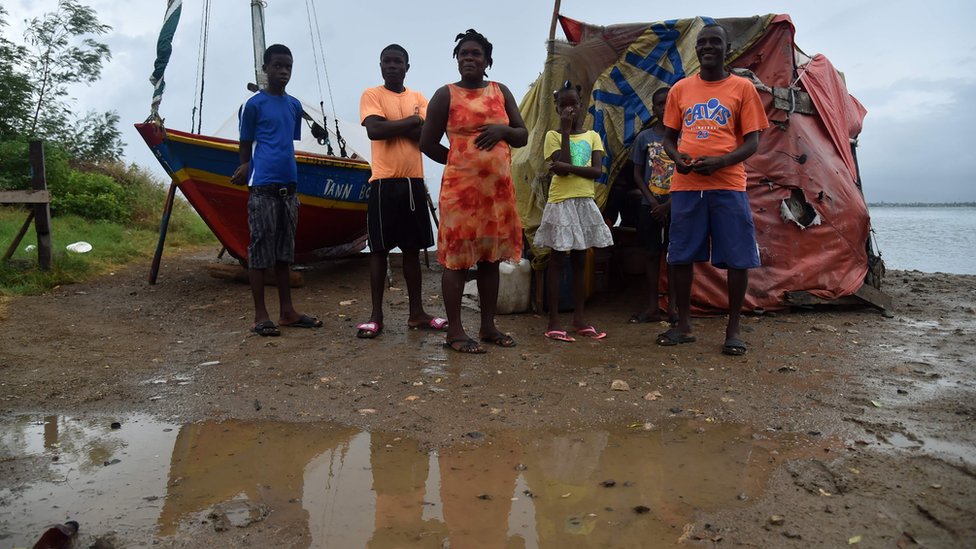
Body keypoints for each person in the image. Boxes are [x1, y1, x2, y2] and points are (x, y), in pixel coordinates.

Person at [660, 24, 768, 355]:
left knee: (738, 257)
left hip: (728, 186)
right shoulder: (680, 89)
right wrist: (677, 158)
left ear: (727, 47)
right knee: (680, 256)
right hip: (687, 186)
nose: (708, 47)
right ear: (696, 49)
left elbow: (753, 143)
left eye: (715, 42)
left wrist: (720, 162)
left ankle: (733, 329)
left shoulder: (743, 88)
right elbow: (668, 138)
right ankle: (684, 325)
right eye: (702, 43)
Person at [420, 29, 527, 354]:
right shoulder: (445, 95)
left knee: (491, 261)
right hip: (460, 197)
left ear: (487, 61)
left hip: (497, 197)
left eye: (475, 54)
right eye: (463, 54)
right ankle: (455, 332)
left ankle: (488, 326)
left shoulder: (501, 91)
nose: (469, 58)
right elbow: (426, 142)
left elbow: (522, 135)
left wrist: (502, 130)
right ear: (457, 59)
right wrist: (459, 163)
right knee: (457, 263)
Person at [230, 43, 322, 337]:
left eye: (288, 67)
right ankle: (260, 315)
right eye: (277, 66)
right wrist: (245, 165)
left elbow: (285, 142)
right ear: (265, 69)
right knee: (260, 252)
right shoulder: (254, 105)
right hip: (263, 188)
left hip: (289, 189)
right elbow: (246, 142)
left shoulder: (294, 105)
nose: (283, 71)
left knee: (284, 253)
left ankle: (287, 312)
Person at [356, 44, 447, 339]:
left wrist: (399, 125)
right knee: (379, 250)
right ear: (380, 65)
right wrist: (412, 122)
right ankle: (376, 316)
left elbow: (425, 136)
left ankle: (417, 313)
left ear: (408, 66)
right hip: (383, 182)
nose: (392, 66)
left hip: (412, 183)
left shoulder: (419, 98)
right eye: (387, 61)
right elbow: (374, 130)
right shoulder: (372, 94)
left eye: (398, 62)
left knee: (412, 250)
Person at [534, 80, 613, 342]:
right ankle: (554, 320)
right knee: (557, 261)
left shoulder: (593, 136)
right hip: (561, 202)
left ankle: (579, 318)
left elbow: (596, 172)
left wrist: (567, 168)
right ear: (557, 109)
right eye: (563, 105)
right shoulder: (553, 136)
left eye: (573, 104)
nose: (569, 109)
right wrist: (566, 133)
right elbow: (562, 162)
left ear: (582, 106)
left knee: (581, 261)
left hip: (584, 202)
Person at [629, 87, 677, 324]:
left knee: (676, 256)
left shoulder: (683, 137)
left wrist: (669, 204)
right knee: (650, 254)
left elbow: (688, 174)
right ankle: (651, 306)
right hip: (649, 204)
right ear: (653, 108)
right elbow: (637, 173)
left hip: (676, 204)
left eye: (668, 103)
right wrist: (651, 201)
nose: (664, 108)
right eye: (659, 104)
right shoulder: (644, 138)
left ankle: (674, 308)